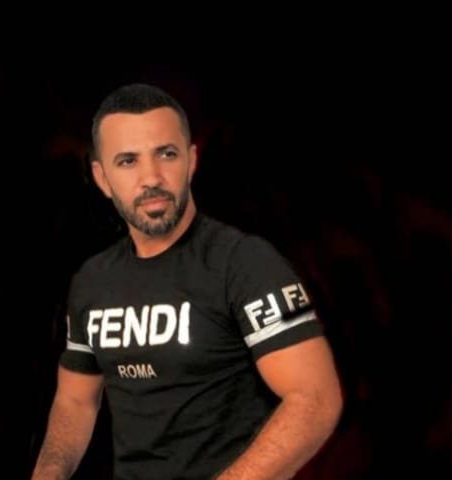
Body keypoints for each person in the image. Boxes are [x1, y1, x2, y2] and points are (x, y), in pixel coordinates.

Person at [31, 83, 343, 479]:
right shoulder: (91, 281)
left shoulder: (246, 264)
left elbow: (315, 400)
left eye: (166, 154)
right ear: (102, 177)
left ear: (191, 160)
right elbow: (76, 401)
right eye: (128, 161)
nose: (151, 177)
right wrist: (49, 472)